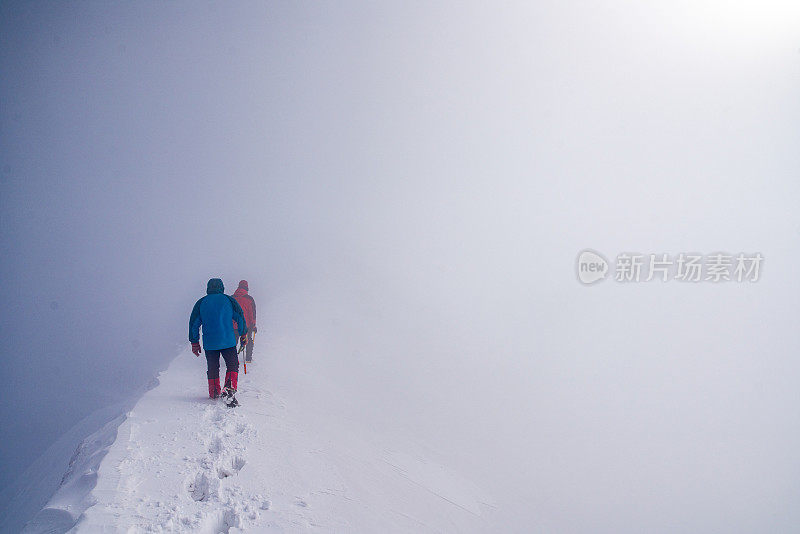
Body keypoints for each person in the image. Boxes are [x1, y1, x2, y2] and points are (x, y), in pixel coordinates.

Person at [189, 278, 247, 403]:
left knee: (213, 367)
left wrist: (195, 343)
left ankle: (214, 392)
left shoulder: (201, 302)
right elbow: (240, 317)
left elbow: (193, 324)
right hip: (228, 341)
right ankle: (229, 388)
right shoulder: (229, 300)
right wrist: (243, 334)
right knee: (232, 365)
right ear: (222, 287)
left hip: (210, 343)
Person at [232, 280, 257, 363]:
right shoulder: (249, 299)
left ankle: (231, 359)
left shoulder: (232, 298)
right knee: (248, 341)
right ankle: (248, 358)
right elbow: (252, 314)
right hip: (246, 326)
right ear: (247, 288)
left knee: (232, 343)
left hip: (233, 325)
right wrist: (253, 325)